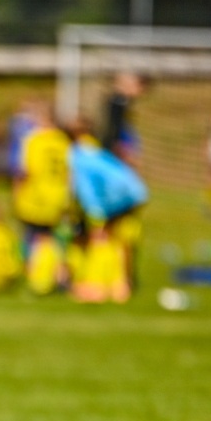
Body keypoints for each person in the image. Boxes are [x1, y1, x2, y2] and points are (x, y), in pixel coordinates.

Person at [68, 122, 148, 304]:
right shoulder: (95, 150)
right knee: (118, 242)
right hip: (134, 194)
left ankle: (98, 287)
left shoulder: (78, 156)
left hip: (113, 201)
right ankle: (120, 285)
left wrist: (95, 212)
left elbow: (86, 187)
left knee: (100, 240)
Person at [11, 101, 73, 294]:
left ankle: (34, 278)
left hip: (35, 197)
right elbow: (69, 172)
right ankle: (61, 277)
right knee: (57, 240)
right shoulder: (64, 141)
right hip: (58, 197)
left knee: (31, 239)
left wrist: (16, 192)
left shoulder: (33, 140)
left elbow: (25, 170)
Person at [100, 71, 144, 167]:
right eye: (140, 84)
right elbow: (114, 132)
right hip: (113, 157)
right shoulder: (117, 104)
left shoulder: (122, 104)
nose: (142, 90)